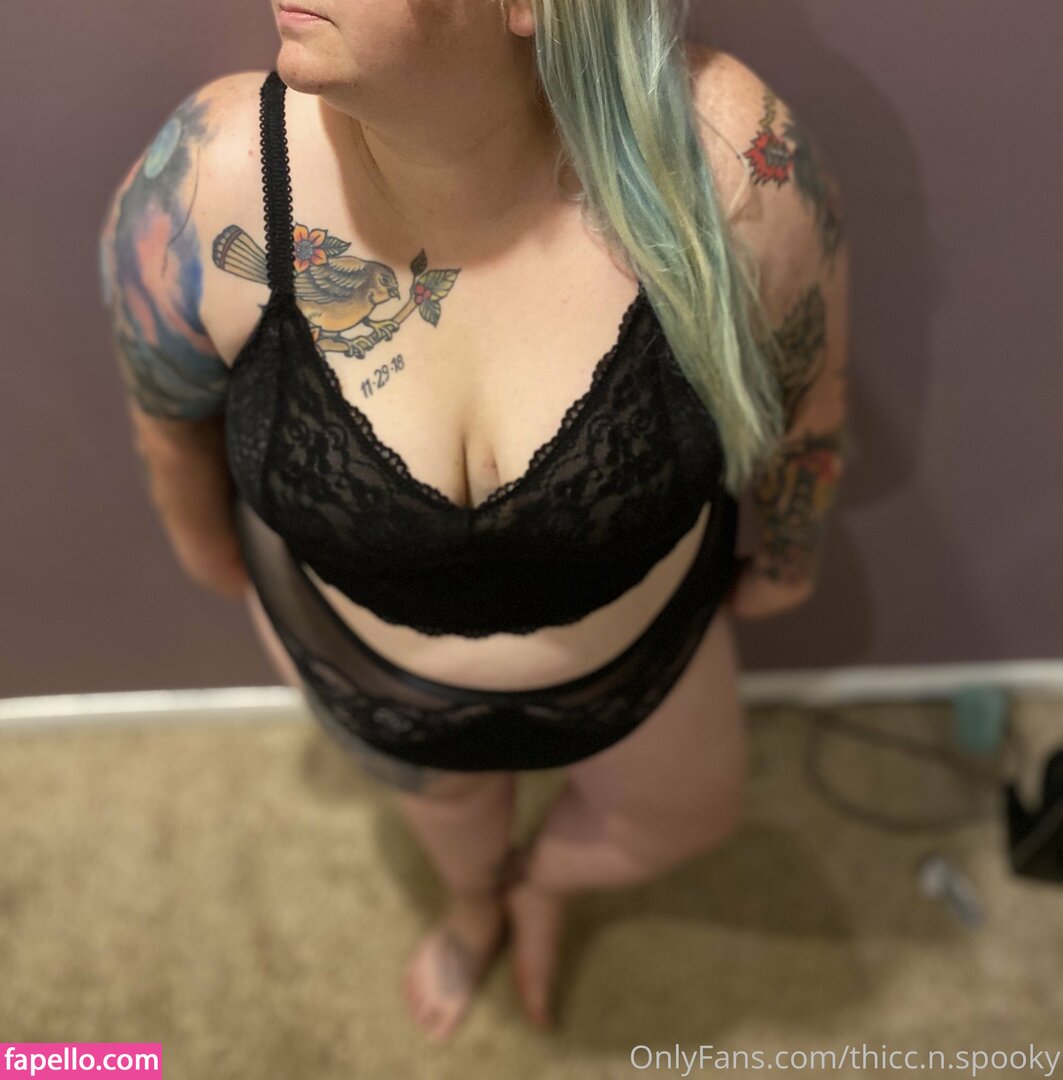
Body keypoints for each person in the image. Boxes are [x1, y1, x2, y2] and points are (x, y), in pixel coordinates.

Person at [98, 0, 850, 1044]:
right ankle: (474, 909)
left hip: (642, 653)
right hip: (367, 669)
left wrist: (790, 560)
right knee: (449, 821)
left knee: (685, 817)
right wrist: (205, 554)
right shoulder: (207, 179)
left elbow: (808, 401)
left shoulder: (726, 158)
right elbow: (168, 427)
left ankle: (540, 886)